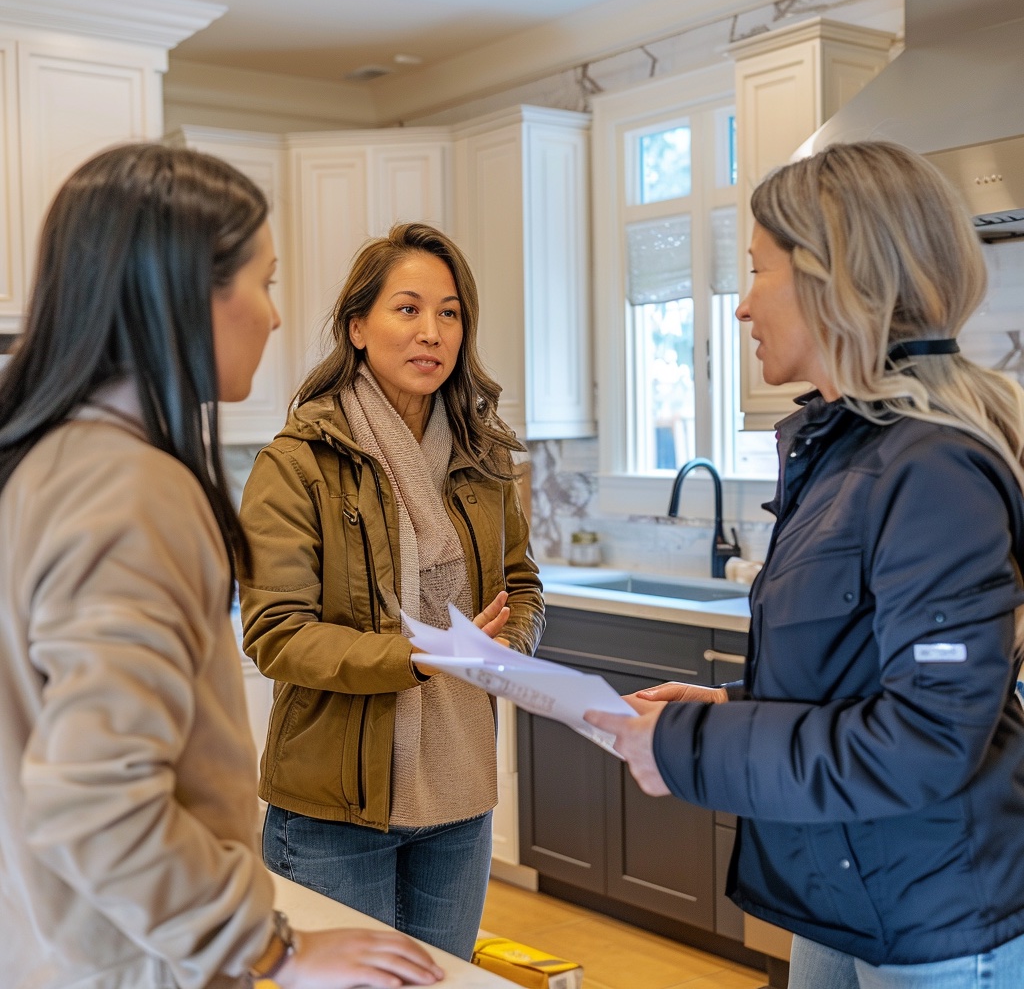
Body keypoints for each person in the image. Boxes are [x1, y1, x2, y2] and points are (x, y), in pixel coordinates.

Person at [0, 143, 444, 989]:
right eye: (265, 283)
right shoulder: (132, 491)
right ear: (182, 292)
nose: (276, 317)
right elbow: (95, 797)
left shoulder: (40, 462)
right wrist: (267, 947)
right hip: (130, 959)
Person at [585, 141, 1024, 989]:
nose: (741, 308)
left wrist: (692, 745)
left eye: (756, 272)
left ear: (834, 278)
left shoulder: (929, 468)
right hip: (849, 885)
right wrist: (733, 705)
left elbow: (928, 742)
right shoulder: (844, 450)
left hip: (932, 913)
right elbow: (862, 676)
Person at [237, 221, 545, 960]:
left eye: (449, 312)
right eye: (407, 309)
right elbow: (277, 633)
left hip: (460, 795)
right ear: (357, 327)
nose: (431, 331)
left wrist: (511, 641)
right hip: (336, 809)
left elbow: (524, 584)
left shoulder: (484, 455)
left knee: (446, 979)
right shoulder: (297, 463)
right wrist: (414, 657)